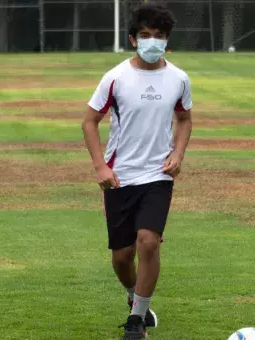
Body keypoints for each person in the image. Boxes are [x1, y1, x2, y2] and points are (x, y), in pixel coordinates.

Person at [82, 3, 193, 339]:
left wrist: (178, 153)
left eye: (158, 36)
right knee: (121, 257)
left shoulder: (178, 78)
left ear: (167, 40)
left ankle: (136, 322)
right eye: (145, 35)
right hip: (119, 176)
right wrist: (100, 166)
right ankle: (135, 297)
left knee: (148, 242)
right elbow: (89, 121)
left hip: (158, 175)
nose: (152, 41)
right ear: (133, 39)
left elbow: (185, 119)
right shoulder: (115, 78)